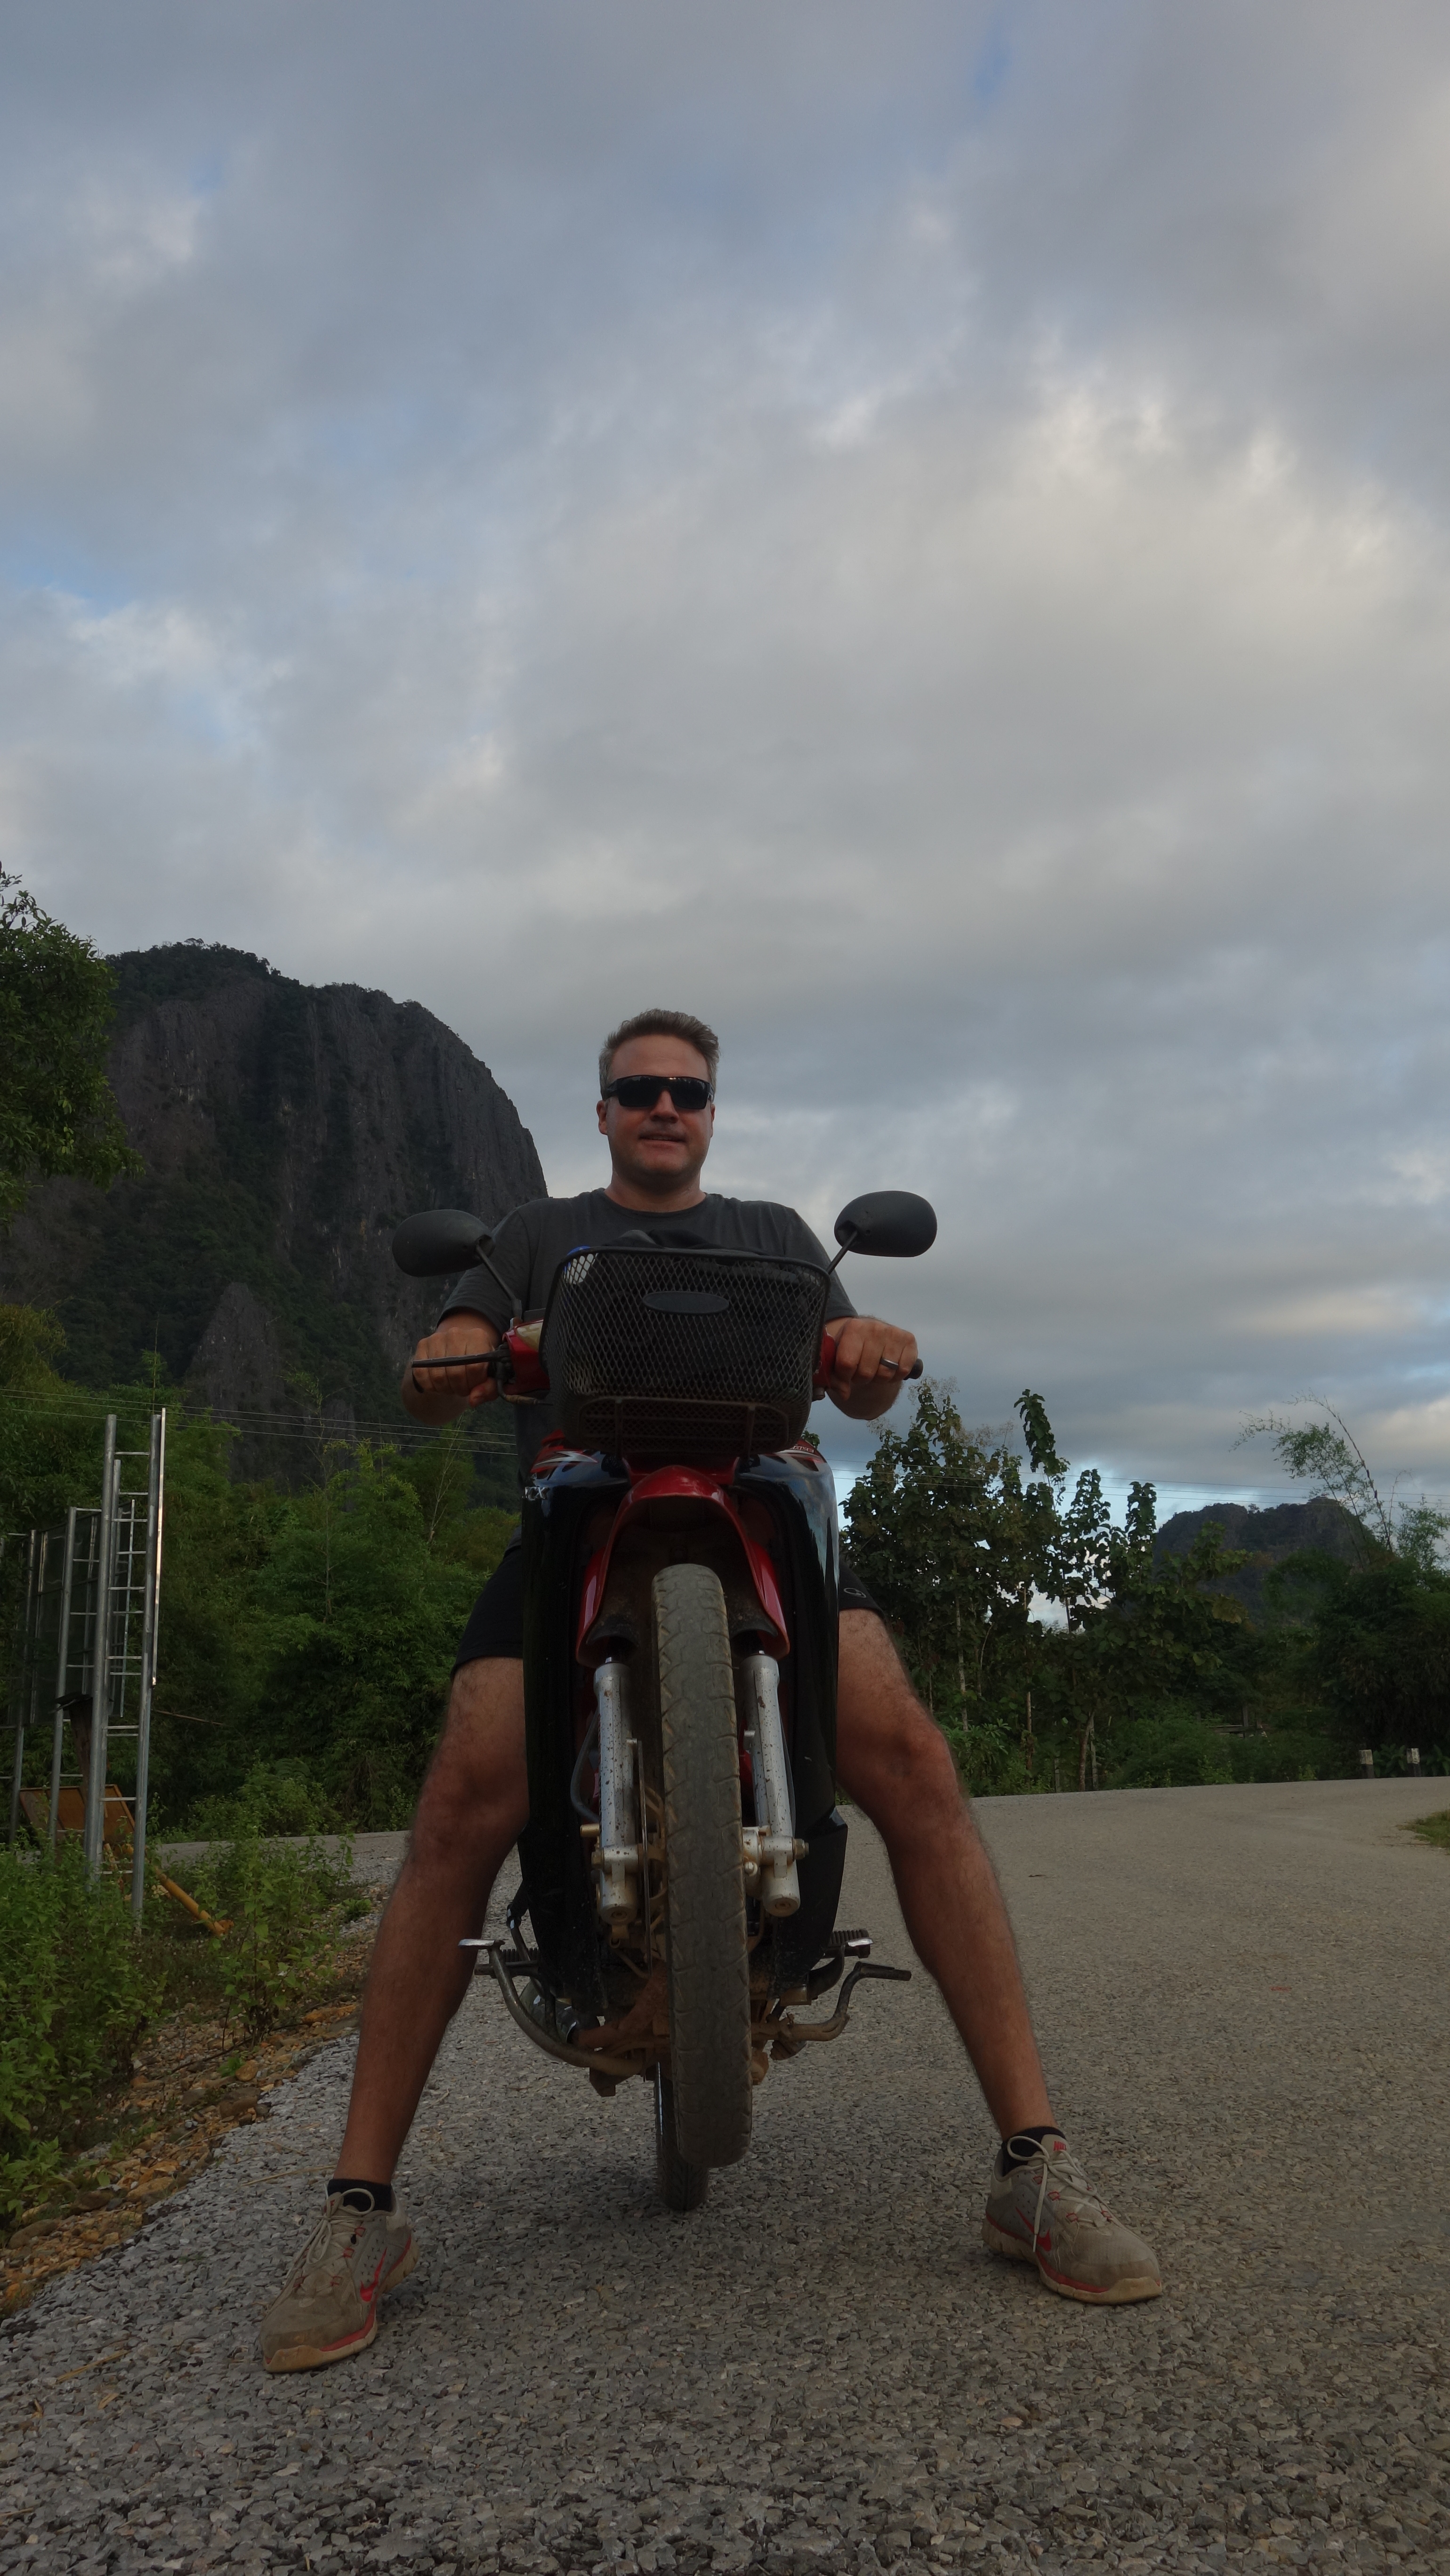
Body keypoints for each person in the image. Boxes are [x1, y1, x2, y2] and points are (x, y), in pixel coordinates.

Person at [260, 1009, 1160, 2370]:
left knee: (914, 1764)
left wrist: (870, 1350)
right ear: (605, 1111)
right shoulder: (537, 1233)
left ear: (712, 1113)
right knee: (459, 1803)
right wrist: (452, 1359)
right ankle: (358, 2204)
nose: (664, 1107)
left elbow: (860, 1392)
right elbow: (445, 1362)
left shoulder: (781, 1240)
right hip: (575, 1520)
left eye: (687, 1090)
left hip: (765, 1516)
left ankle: (1036, 2164)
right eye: (639, 1090)